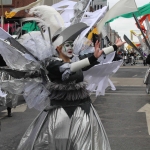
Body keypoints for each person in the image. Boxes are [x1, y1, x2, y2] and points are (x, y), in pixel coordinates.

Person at [15, 22, 125, 149]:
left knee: (85, 143)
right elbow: (71, 68)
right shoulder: (52, 64)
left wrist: (115, 46)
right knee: (60, 143)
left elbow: (96, 55)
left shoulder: (76, 59)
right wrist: (93, 58)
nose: (70, 48)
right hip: (61, 112)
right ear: (58, 48)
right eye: (67, 45)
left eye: (71, 45)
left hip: (83, 109)